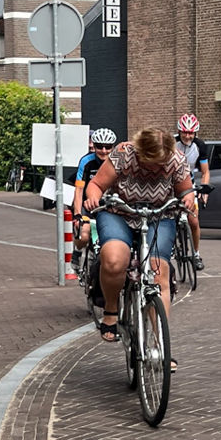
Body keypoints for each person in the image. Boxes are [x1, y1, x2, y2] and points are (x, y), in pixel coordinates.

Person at [80, 126, 193, 369]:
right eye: (151, 163)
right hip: (120, 212)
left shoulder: (176, 160)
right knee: (113, 260)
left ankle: (160, 345)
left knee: (158, 271)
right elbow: (96, 185)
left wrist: (188, 199)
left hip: (158, 216)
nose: (155, 169)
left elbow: (186, 190)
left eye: (160, 164)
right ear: (139, 152)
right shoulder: (123, 153)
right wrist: (93, 197)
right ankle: (110, 309)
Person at [174, 114, 211, 270]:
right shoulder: (172, 144)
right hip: (171, 182)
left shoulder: (200, 146)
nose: (188, 136)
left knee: (194, 221)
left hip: (188, 183)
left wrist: (204, 190)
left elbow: (205, 172)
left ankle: (196, 254)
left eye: (191, 133)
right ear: (179, 131)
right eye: (185, 132)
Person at [71, 128, 117, 247]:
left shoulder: (117, 161)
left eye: (108, 147)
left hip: (110, 206)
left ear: (113, 147)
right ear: (94, 147)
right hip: (88, 205)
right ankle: (78, 250)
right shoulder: (86, 161)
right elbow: (79, 189)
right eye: (99, 147)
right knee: (84, 234)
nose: (104, 151)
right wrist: (77, 214)